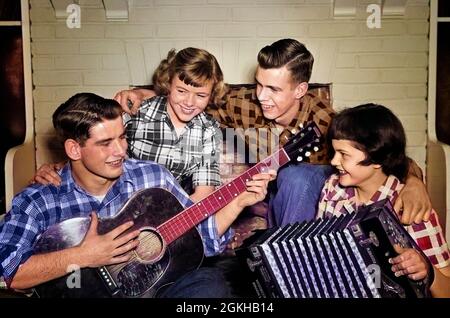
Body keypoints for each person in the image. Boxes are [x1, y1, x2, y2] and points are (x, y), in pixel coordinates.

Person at [113, 38, 432, 227]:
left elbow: (378, 149)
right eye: (259, 84)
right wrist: (147, 95)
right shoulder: (246, 104)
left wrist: (415, 181)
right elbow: (192, 101)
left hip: (314, 197)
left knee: (297, 176)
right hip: (263, 193)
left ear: (301, 89)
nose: (262, 96)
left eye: (274, 89)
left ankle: (290, 256)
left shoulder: (324, 119)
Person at [0, 93, 275, 297]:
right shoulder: (40, 200)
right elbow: (11, 272)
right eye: (106, 143)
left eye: (122, 137)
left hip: (160, 289)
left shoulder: (153, 176)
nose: (120, 151)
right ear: (74, 150)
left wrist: (239, 201)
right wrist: (83, 256)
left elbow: (203, 238)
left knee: (211, 287)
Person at [32, 47, 227, 203]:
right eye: (181, 91)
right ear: (168, 83)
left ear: (211, 94)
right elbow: (97, 144)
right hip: (120, 201)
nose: (189, 102)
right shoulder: (138, 112)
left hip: (173, 209)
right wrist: (60, 168)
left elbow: (203, 194)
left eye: (201, 95)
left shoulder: (208, 130)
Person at [317, 103, 450, 297]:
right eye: (335, 152)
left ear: (377, 159)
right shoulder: (333, 189)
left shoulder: (412, 209)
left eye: (344, 155)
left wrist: (427, 270)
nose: (333, 161)